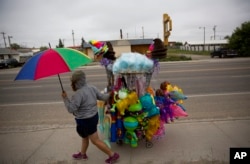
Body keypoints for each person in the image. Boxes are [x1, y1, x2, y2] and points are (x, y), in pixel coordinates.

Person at [61, 70, 120, 163]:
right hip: (93, 117)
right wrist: (111, 94)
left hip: (85, 121)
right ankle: (83, 154)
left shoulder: (78, 94)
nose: (71, 83)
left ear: (76, 82)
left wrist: (65, 98)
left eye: (72, 81)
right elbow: (103, 97)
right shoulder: (92, 87)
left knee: (95, 140)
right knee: (84, 137)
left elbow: (71, 109)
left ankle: (112, 155)